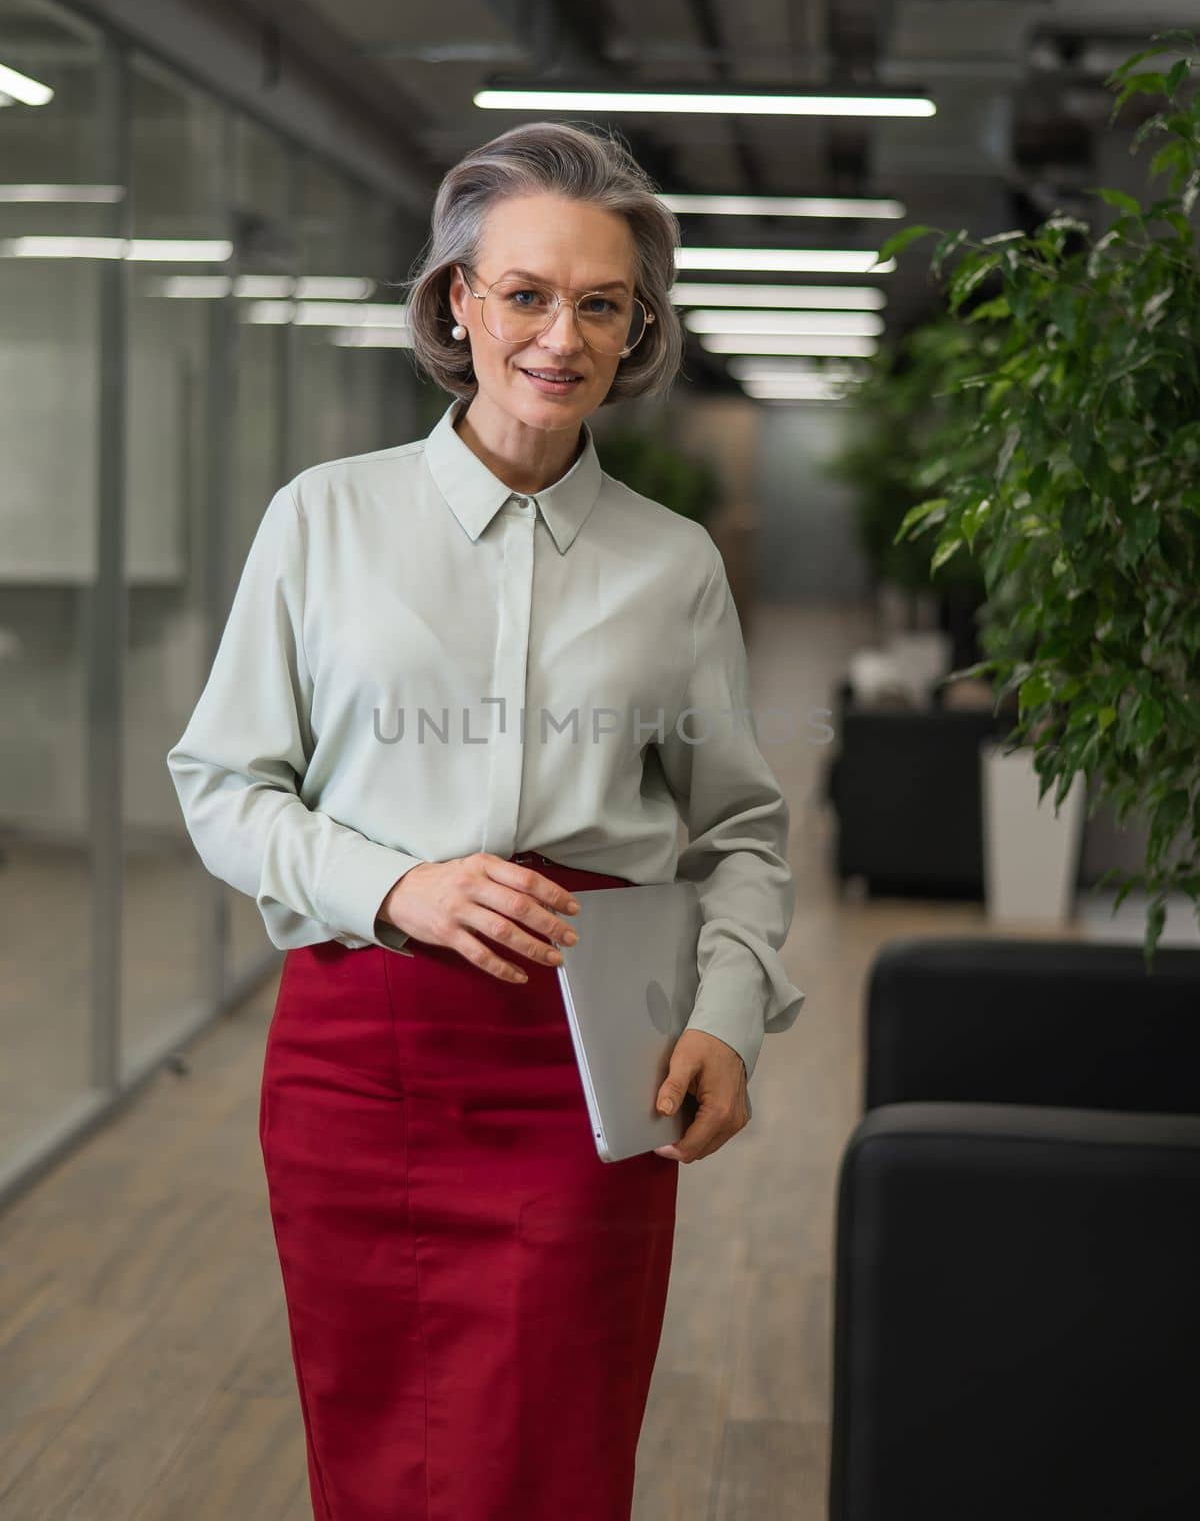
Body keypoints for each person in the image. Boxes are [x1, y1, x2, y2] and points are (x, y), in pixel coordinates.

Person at [166, 120, 805, 1521]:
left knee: (556, 1454)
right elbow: (224, 784)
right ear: (457, 298)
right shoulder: (321, 522)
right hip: (361, 1062)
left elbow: (740, 834)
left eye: (599, 304)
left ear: (638, 324)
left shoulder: (673, 565)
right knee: (379, 1451)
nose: (559, 337)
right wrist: (398, 888)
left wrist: (728, 1013)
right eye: (525, 292)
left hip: (590, 1072)